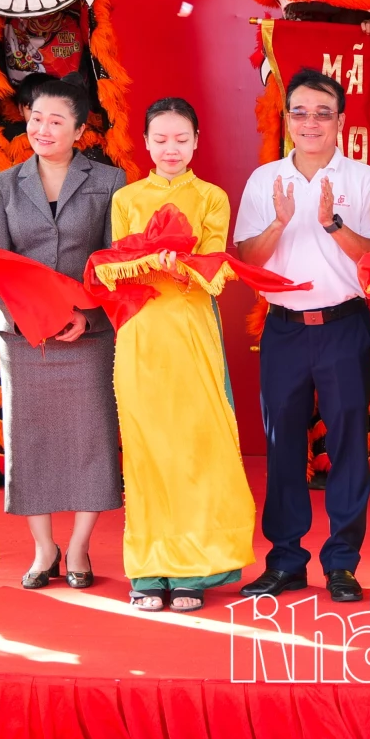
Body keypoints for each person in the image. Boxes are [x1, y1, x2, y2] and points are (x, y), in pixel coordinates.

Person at [235, 69, 370, 604]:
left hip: (344, 325)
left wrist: (333, 223)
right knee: (282, 447)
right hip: (284, 330)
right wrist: (279, 222)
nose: (310, 122)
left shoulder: (365, 179)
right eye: (300, 112)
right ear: (287, 118)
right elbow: (247, 261)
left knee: (349, 447)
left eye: (323, 113)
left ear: (340, 120)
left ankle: (342, 563)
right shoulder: (264, 180)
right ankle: (285, 561)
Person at [108, 97, 254, 612]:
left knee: (195, 447)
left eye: (181, 139)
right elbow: (115, 267)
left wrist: (181, 265)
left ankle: (193, 567)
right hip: (141, 333)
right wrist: (145, 263)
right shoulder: (126, 198)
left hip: (192, 333)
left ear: (196, 142)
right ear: (146, 143)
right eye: (161, 139)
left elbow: (216, 269)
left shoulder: (212, 197)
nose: (171, 149)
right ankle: (148, 567)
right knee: (145, 450)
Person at [0, 80, 125, 591]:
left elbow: (113, 260)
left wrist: (87, 315)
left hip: (88, 334)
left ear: (80, 130)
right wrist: (34, 317)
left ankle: (80, 547)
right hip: (25, 336)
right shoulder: (3, 185)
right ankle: (45, 549)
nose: (43, 129)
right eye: (36, 118)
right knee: (31, 440)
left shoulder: (110, 181)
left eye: (56, 121)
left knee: (92, 438)